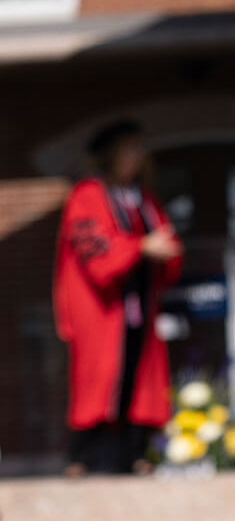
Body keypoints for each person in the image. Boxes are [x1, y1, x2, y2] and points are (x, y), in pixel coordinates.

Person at [52, 119, 183, 475]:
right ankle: (81, 458)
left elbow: (167, 242)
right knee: (100, 379)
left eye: (139, 148)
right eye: (130, 148)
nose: (138, 155)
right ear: (111, 154)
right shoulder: (87, 196)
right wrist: (141, 246)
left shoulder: (143, 198)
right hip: (103, 308)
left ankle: (136, 455)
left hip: (139, 305)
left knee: (140, 378)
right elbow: (97, 256)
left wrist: (165, 251)